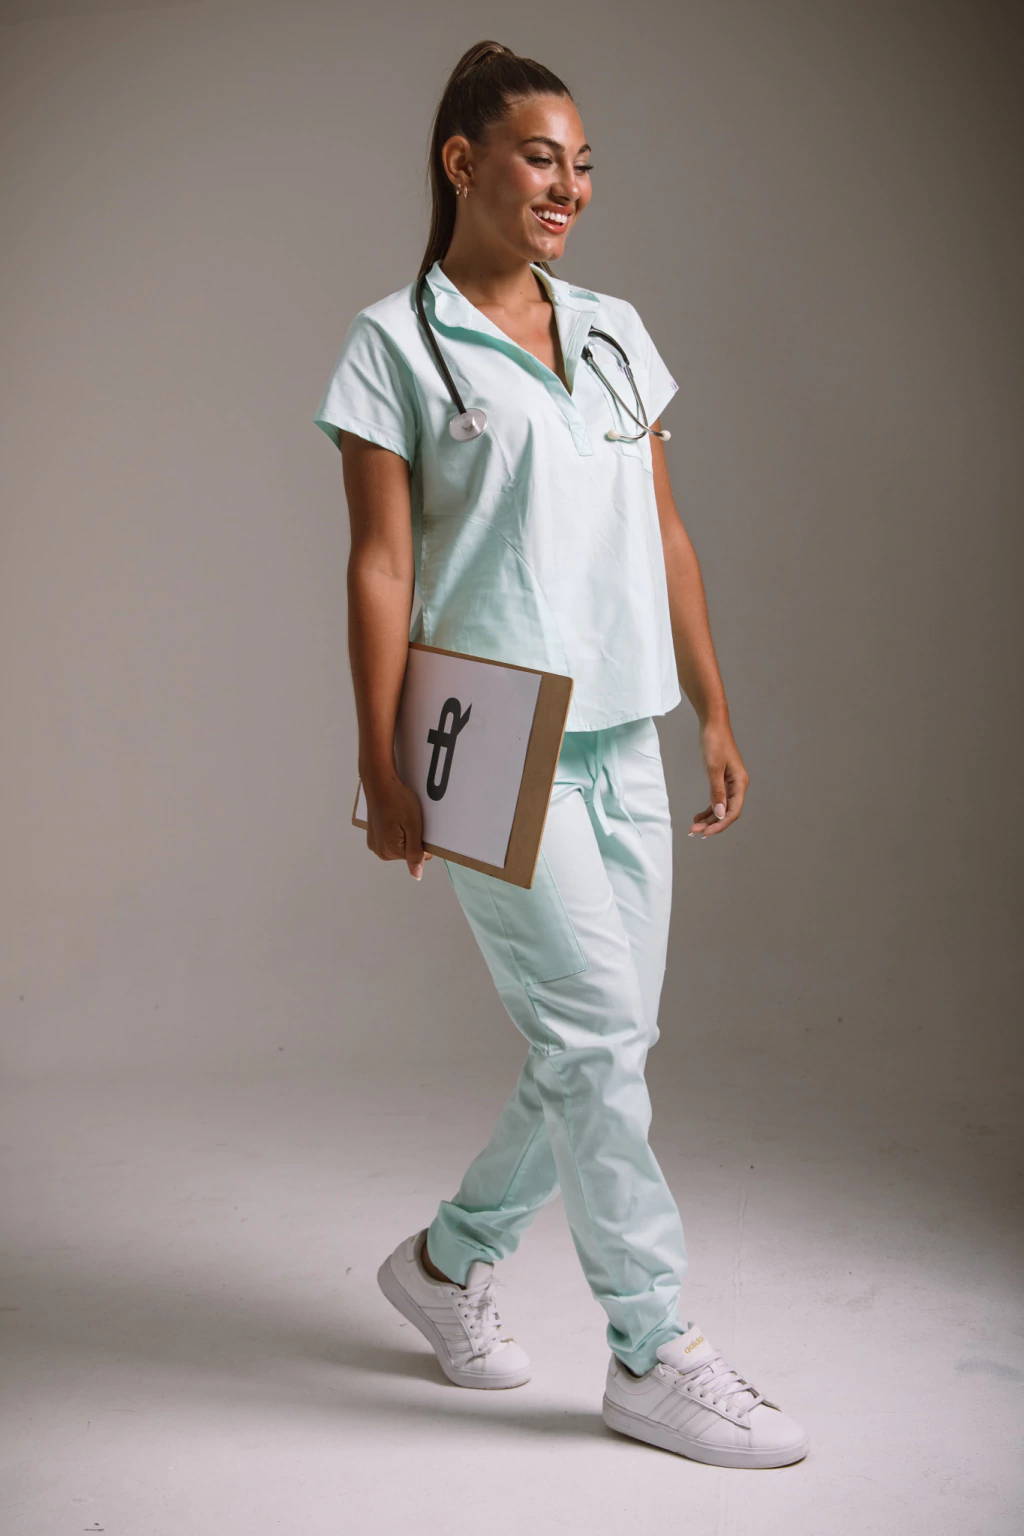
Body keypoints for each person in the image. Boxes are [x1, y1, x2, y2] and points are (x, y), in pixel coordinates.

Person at [313, 40, 809, 1470]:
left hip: (624, 726)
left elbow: (665, 530)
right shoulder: (394, 345)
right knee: (597, 1041)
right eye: (542, 157)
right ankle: (655, 1350)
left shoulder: (612, 329)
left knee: (602, 1044)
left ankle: (448, 1261)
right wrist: (383, 763)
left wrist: (711, 706)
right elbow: (380, 567)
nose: (569, 187)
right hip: (483, 736)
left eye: (583, 165)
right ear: (463, 160)